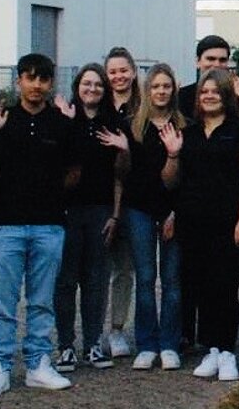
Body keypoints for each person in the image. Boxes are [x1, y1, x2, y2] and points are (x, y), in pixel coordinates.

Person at [0, 54, 77, 398]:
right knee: (3, 303)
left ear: (50, 83)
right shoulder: (2, 118)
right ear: (18, 81)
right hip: (5, 227)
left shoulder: (60, 123)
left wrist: (51, 194)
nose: (36, 86)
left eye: (43, 79)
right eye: (29, 78)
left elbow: (75, 170)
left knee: (42, 301)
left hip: (49, 226)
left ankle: (38, 364)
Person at [172, 68, 239, 381]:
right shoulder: (190, 133)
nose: (208, 96)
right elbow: (179, 180)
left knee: (225, 286)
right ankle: (211, 349)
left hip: (230, 222)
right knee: (203, 288)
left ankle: (227, 352)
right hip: (194, 222)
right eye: (203, 91)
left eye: (214, 91)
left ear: (226, 95)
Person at [52, 64, 125, 373]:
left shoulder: (113, 122)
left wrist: (116, 214)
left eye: (97, 84)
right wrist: (67, 125)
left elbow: (121, 176)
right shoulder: (64, 117)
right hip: (68, 212)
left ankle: (93, 343)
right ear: (78, 86)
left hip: (100, 210)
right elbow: (55, 163)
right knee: (66, 282)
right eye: (86, 83)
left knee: (96, 281)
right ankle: (66, 345)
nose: (92, 89)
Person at [117, 63, 186, 371]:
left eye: (166, 86)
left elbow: (185, 179)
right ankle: (146, 343)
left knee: (171, 281)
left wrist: (175, 212)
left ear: (173, 90)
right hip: (139, 210)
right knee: (145, 279)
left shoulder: (186, 126)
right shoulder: (132, 126)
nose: (161, 91)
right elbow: (123, 174)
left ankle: (170, 343)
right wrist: (122, 151)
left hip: (174, 211)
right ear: (147, 90)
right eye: (156, 86)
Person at [99, 47, 139, 360]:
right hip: (98, 197)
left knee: (125, 269)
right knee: (97, 269)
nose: (118, 76)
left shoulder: (143, 106)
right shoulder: (96, 105)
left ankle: (117, 328)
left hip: (133, 198)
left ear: (134, 71)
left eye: (123, 70)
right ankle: (90, 332)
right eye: (112, 71)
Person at [178, 35, 239, 121]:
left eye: (222, 60)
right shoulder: (182, 96)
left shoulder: (238, 95)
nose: (217, 64)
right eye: (211, 59)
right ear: (198, 61)